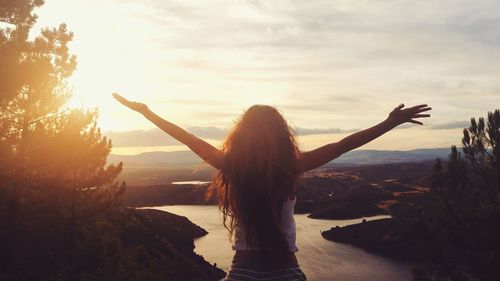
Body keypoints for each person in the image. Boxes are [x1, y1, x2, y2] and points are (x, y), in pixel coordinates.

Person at [112, 93, 431, 280]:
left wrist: (148, 113)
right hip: (286, 274)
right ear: (281, 135)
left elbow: (187, 139)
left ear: (242, 135)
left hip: (242, 274)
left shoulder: (231, 166)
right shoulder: (290, 166)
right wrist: (389, 123)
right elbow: (343, 145)